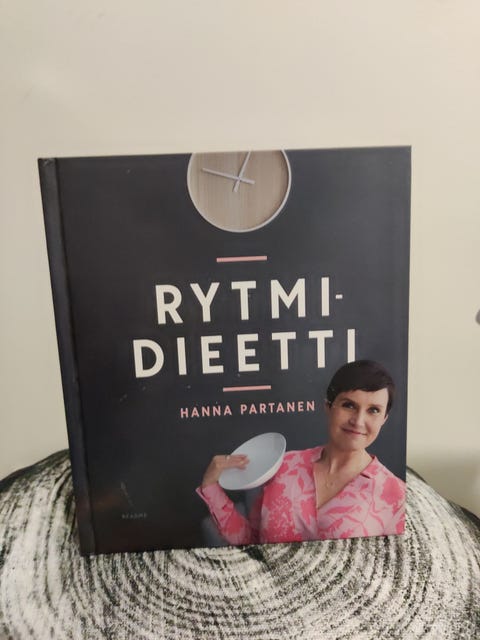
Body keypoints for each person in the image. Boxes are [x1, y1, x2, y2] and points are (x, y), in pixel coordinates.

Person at [196, 360, 406, 545]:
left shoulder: (396, 495)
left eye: (373, 410)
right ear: (328, 406)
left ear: (384, 419)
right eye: (349, 405)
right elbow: (250, 539)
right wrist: (211, 487)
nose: (358, 421)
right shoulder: (283, 466)